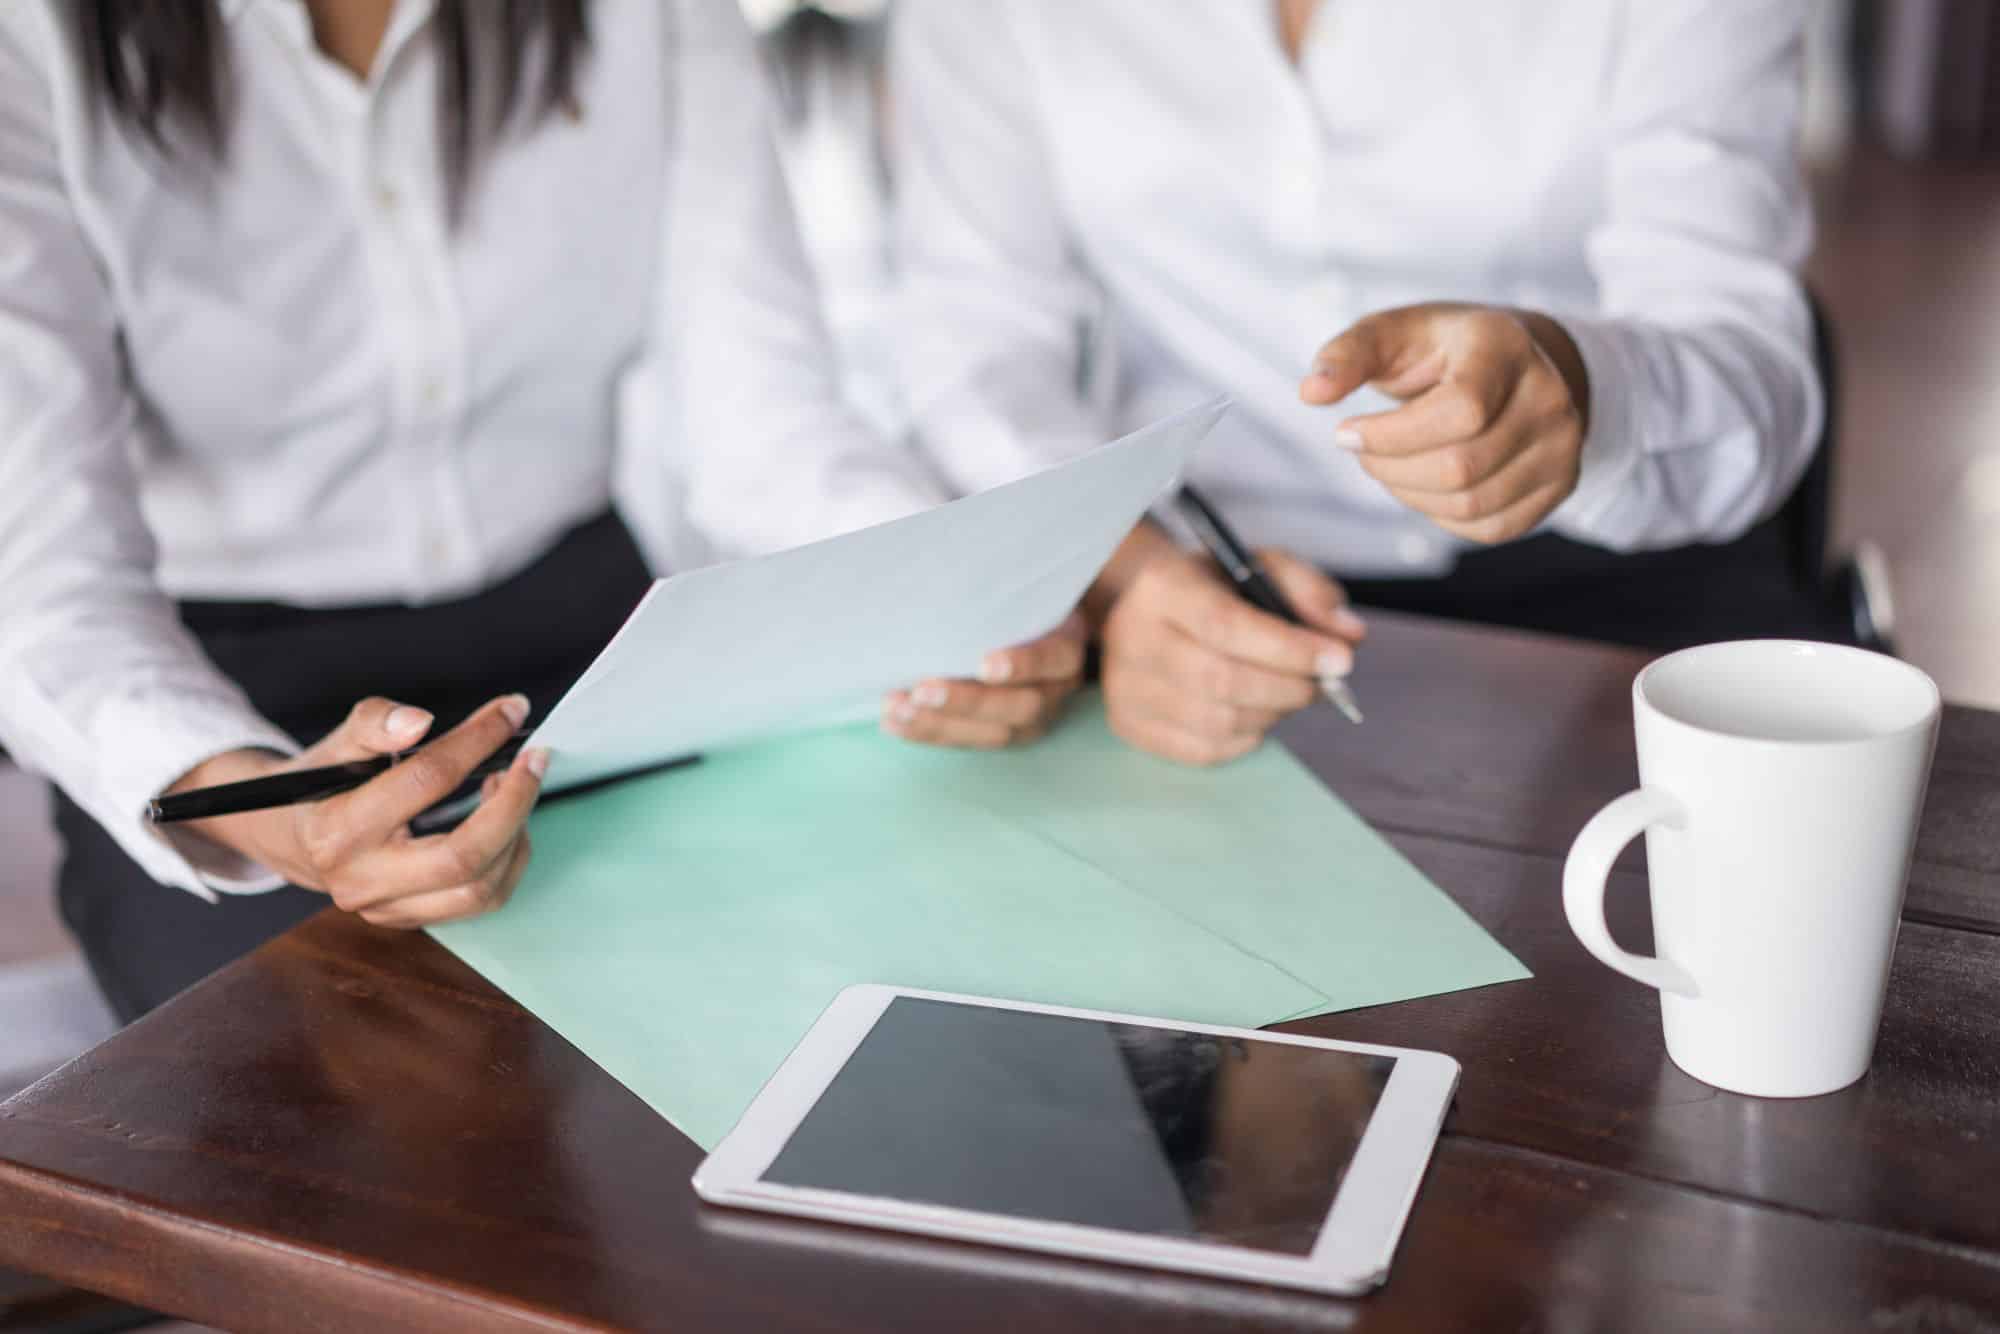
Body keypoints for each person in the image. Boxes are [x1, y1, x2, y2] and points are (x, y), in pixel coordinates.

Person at [0, 0, 1083, 1022]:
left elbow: (761, 426)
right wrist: (256, 803)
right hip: (237, 707)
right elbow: (42, 580)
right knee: (346, 1096)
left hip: (589, 657)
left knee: (819, 981)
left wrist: (950, 588)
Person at [888, 0, 1826, 765]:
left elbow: (1753, 361)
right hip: (1179, 581)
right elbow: (975, 334)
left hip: (1609, 599)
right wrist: (1122, 571)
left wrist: (1584, 387)